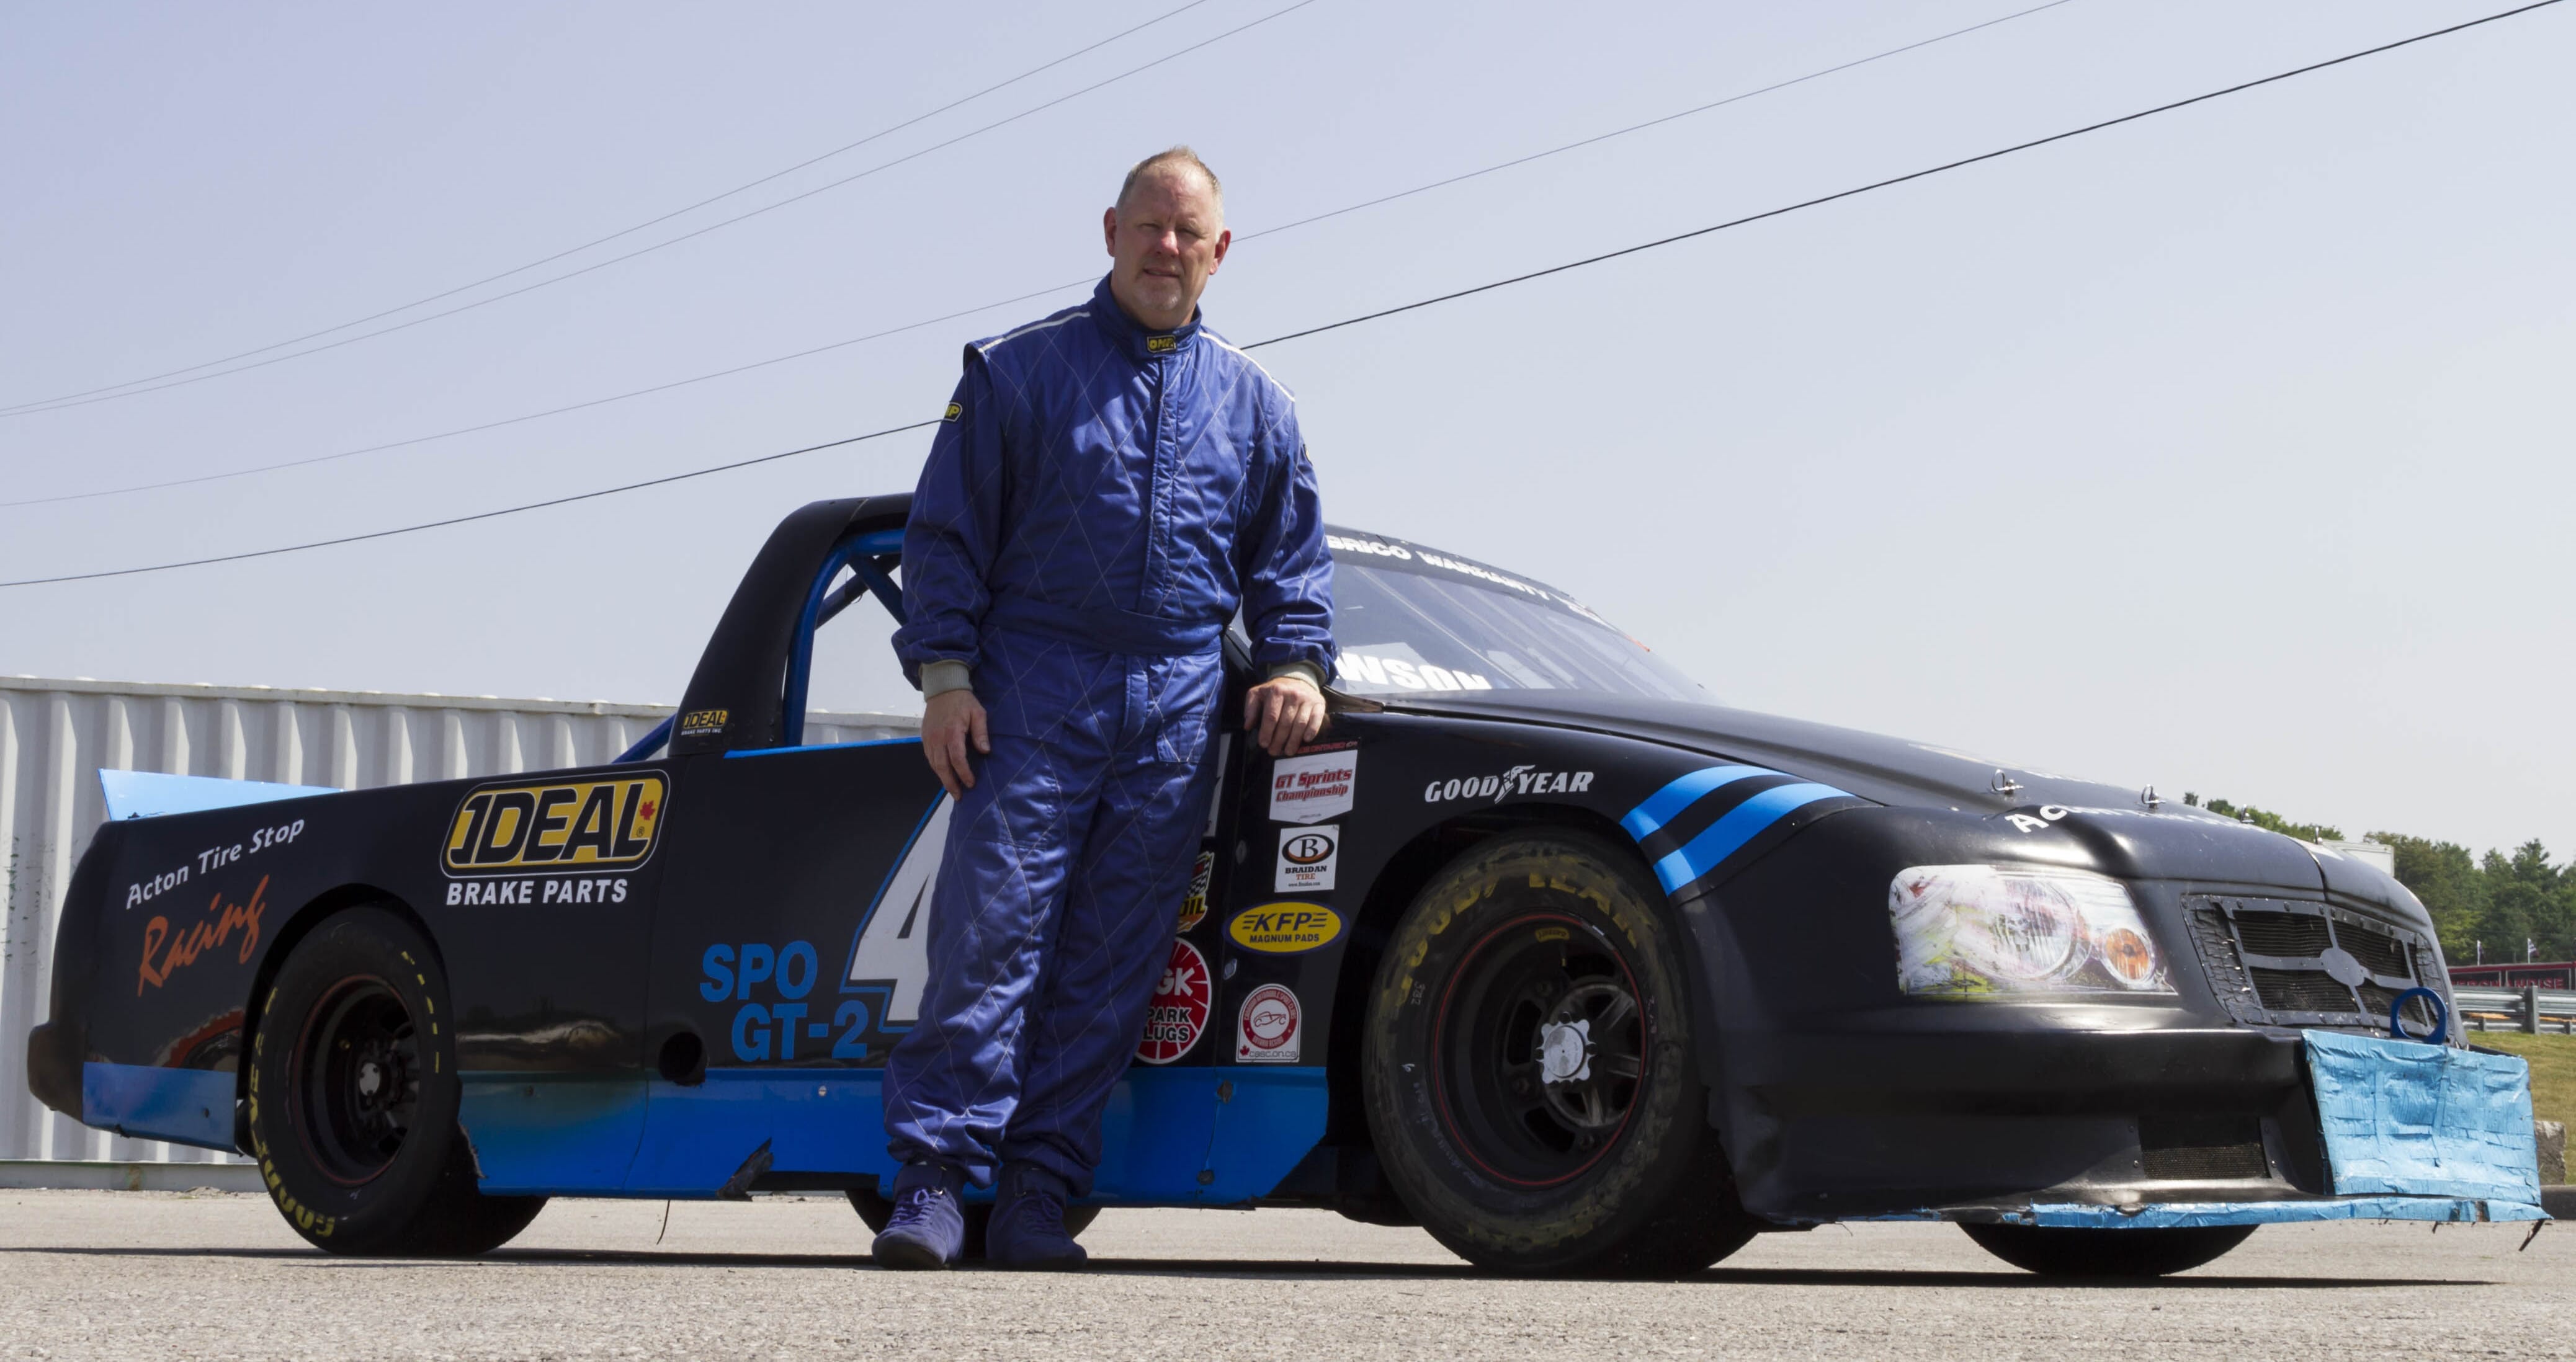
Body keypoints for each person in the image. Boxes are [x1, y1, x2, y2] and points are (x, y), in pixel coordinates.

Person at [876, 146, 1335, 1270]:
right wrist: (945, 679)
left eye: (1189, 233)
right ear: (1110, 231)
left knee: (1115, 961)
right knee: (990, 935)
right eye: (1149, 227)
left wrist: (1297, 665)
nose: (1167, 248)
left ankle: (1038, 1196)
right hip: (1031, 688)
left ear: (1221, 252)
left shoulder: (1260, 405)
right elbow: (944, 537)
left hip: (1179, 703)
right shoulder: (1014, 372)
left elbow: (1292, 561)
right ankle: (934, 1186)